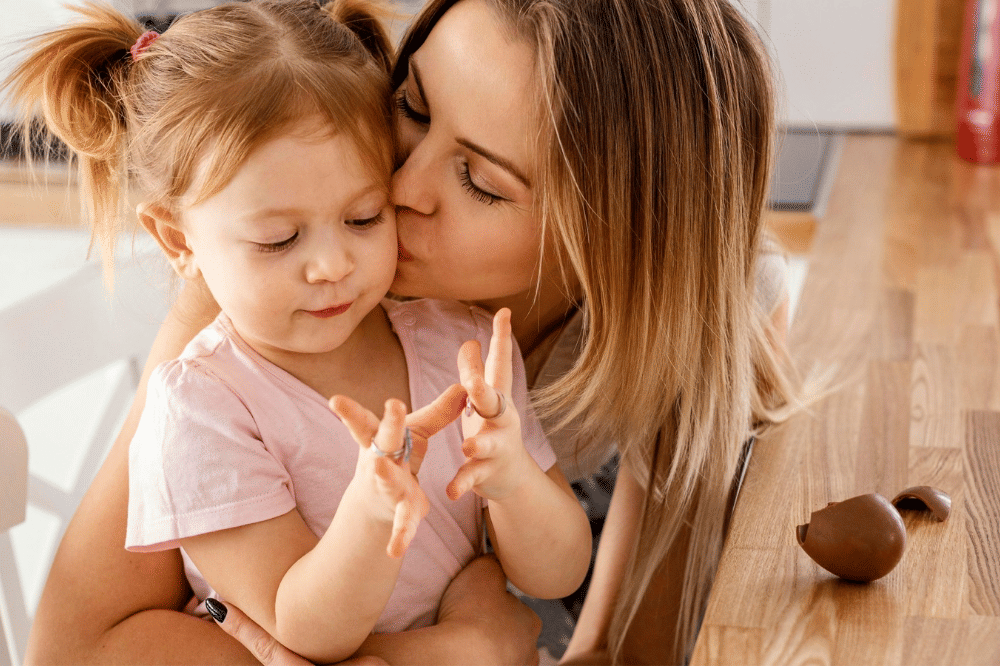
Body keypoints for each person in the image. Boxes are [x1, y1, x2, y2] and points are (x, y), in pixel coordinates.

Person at [13, 0, 800, 664]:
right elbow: (76, 649)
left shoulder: (693, 315)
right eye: (412, 107)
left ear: (607, 237)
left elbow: (622, 647)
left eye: (479, 181)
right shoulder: (264, 307)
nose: (399, 187)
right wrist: (453, 650)